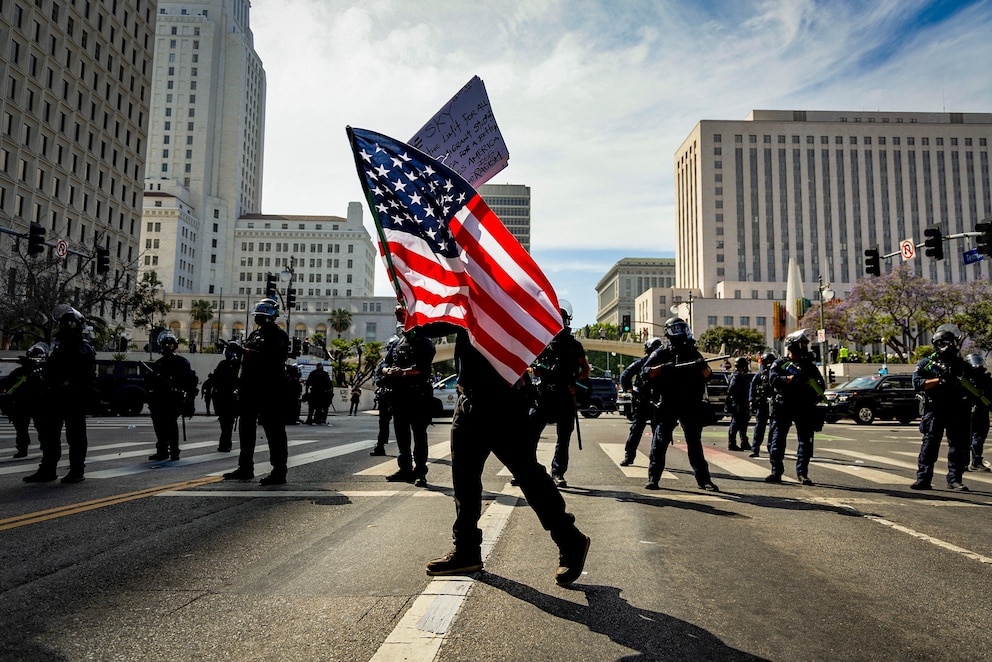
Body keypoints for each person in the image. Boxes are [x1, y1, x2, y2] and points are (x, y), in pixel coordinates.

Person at [425, 329, 590, 586]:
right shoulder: (464, 297)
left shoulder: (503, 296)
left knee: (528, 475)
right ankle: (466, 549)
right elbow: (430, 325)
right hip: (469, 399)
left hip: (503, 401)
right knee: (464, 480)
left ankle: (570, 539)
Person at [640, 317, 719, 492]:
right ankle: (654, 478)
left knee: (694, 443)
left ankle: (704, 480)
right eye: (676, 328)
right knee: (660, 442)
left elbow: (708, 375)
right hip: (668, 402)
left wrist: (701, 365)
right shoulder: (661, 353)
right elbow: (645, 372)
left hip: (690, 404)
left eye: (682, 327)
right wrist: (663, 368)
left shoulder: (693, 352)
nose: (680, 331)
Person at [24, 305, 96, 484]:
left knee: (76, 436)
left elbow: (83, 375)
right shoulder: (60, 347)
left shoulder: (83, 348)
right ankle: (48, 469)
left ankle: (77, 470)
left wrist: (66, 383)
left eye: (69, 323)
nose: (65, 327)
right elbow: (51, 369)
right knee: (49, 435)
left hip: (73, 397)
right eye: (63, 324)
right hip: (54, 397)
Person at [223, 298, 291, 486]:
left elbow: (271, 358)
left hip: (270, 388)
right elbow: (246, 360)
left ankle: (279, 471)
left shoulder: (279, 335)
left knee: (274, 430)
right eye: (258, 316)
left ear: (272, 316)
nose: (259, 319)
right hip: (250, 387)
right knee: (246, 428)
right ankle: (245, 467)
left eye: (262, 316)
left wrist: (244, 351)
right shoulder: (254, 335)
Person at [911, 324, 979, 491]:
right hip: (935, 410)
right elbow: (917, 383)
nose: (951, 346)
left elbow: (975, 385)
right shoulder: (927, 364)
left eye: (953, 342)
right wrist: (939, 381)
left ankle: (955, 479)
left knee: (958, 446)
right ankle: (923, 478)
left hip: (957, 409)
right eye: (947, 342)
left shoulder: (961, 365)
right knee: (929, 445)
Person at [530, 301, 590, 488]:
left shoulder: (574, 345)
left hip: (565, 395)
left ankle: (557, 473)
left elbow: (585, 369)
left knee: (563, 438)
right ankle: (527, 471)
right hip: (544, 394)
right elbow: (530, 365)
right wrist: (536, 371)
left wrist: (576, 385)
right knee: (531, 434)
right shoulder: (542, 342)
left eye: (562, 319)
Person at [380, 306, 435, 487]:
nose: (398, 315)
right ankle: (405, 469)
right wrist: (388, 370)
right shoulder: (397, 342)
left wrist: (402, 373)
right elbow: (384, 364)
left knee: (419, 435)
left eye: (402, 312)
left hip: (417, 396)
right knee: (402, 435)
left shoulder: (423, 341)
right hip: (398, 396)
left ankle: (420, 472)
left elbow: (423, 368)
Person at [766, 329, 827, 485]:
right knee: (778, 440)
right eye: (802, 344)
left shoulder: (809, 366)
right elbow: (772, 379)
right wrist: (789, 379)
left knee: (805, 441)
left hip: (804, 406)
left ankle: (802, 473)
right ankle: (776, 472)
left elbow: (821, 384)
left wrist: (811, 388)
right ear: (793, 346)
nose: (804, 347)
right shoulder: (780, 363)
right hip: (784, 405)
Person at [145, 330, 198, 461]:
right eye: (165, 345)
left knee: (170, 424)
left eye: (170, 345)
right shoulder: (158, 364)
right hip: (158, 399)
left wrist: (189, 402)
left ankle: (174, 450)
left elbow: (191, 382)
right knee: (159, 425)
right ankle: (162, 450)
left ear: (174, 346)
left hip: (174, 398)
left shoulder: (182, 362)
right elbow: (150, 384)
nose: (167, 348)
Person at [618, 337, 662, 466]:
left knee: (657, 433)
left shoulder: (665, 364)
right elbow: (625, 375)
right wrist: (630, 391)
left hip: (658, 401)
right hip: (643, 401)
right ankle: (629, 456)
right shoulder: (642, 363)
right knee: (636, 430)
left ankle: (655, 459)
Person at [1, 343, 47, 458]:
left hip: (34, 403)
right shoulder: (22, 372)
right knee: (24, 428)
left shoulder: (42, 372)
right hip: (26, 403)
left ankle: (35, 447)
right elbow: (8, 386)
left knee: (38, 427)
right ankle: (25, 448)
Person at [369, 338, 399, 456]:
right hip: (385, 395)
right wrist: (384, 378)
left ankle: (404, 450)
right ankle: (380, 445)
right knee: (383, 422)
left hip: (399, 395)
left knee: (401, 422)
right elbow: (377, 379)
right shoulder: (383, 364)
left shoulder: (401, 362)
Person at [211, 341, 241, 452]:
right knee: (225, 423)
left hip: (232, 398)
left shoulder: (239, 365)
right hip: (222, 397)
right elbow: (215, 379)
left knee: (227, 423)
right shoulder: (223, 364)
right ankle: (225, 443)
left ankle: (225, 444)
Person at [965, 353, 992, 472]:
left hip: (982, 411)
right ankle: (965, 462)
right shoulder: (965, 379)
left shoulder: (986, 378)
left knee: (979, 437)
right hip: (968, 412)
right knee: (967, 438)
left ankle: (976, 461)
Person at [747, 351, 777, 458]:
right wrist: (751, 400)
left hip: (774, 404)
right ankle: (755, 449)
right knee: (759, 428)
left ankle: (771, 449)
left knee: (773, 428)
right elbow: (752, 387)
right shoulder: (760, 375)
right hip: (762, 404)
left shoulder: (775, 375)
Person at [726, 356, 754, 451]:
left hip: (742, 403)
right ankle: (732, 443)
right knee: (735, 423)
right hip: (738, 404)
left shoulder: (739, 376)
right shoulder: (736, 377)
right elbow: (732, 390)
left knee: (743, 424)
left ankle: (744, 442)